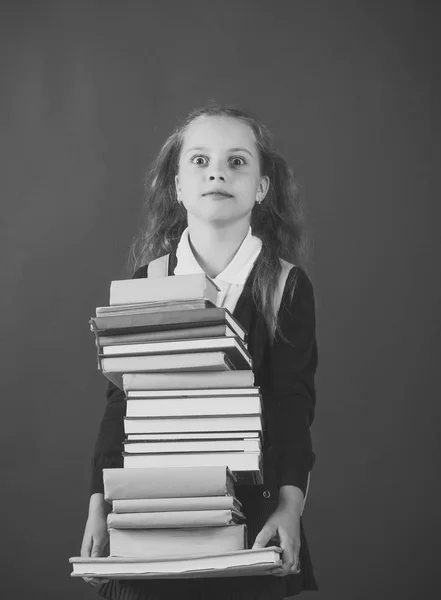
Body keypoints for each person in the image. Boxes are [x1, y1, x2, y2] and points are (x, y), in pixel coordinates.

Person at [80, 102, 319, 599]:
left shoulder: (285, 286)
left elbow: (293, 405)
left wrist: (290, 508)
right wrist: (99, 503)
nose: (217, 172)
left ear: (261, 187)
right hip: (150, 514)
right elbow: (122, 404)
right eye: (200, 161)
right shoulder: (147, 282)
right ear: (178, 186)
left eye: (237, 161)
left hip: (252, 516)